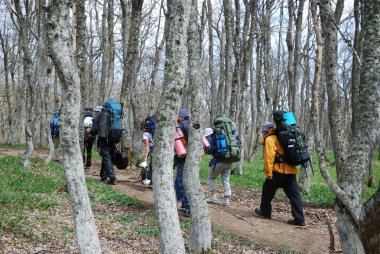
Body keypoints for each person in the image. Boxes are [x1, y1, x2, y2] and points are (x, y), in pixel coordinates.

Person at [255, 121, 305, 226]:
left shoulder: (270, 139)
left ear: (266, 131)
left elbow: (269, 157)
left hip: (277, 170)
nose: (263, 133)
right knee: (295, 195)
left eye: (263, 131)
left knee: (267, 190)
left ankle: (265, 212)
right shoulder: (285, 137)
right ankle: (299, 218)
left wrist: (268, 173)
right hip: (290, 170)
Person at [204, 127, 232, 206]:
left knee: (211, 178)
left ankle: (213, 197)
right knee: (226, 180)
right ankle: (226, 201)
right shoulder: (225, 137)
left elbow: (209, 151)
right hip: (229, 161)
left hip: (219, 162)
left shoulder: (211, 139)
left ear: (207, 135)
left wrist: (207, 145)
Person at [90, 105, 116, 185]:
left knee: (106, 158)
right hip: (113, 139)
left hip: (103, 140)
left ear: (99, 112)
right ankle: (103, 175)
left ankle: (112, 177)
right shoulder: (112, 118)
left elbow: (93, 132)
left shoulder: (98, 119)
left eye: (96, 111)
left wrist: (93, 126)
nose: (95, 113)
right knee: (107, 157)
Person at [174, 108, 191, 216]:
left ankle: (188, 206)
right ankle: (184, 203)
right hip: (187, 157)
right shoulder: (187, 124)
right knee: (180, 181)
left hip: (183, 157)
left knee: (181, 182)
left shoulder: (184, 125)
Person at [139, 117, 155, 184]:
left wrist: (145, 157)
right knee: (153, 165)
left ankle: (150, 181)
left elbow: (147, 146)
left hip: (152, 150)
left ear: (143, 128)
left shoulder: (145, 134)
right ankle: (152, 181)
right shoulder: (153, 131)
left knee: (152, 166)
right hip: (158, 148)